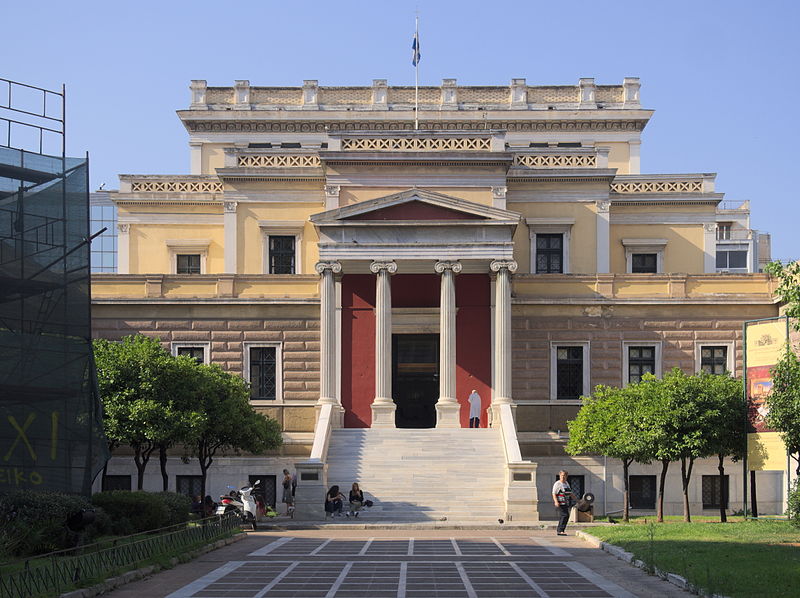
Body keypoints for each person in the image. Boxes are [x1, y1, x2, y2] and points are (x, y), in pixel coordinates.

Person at [552, 470, 578, 536]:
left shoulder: (566, 483)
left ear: (566, 476)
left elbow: (570, 493)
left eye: (564, 476)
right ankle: (560, 530)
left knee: (564, 516)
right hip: (560, 502)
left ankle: (560, 530)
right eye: (562, 475)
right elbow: (554, 493)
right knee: (565, 515)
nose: (563, 477)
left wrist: (577, 500)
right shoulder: (557, 484)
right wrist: (556, 501)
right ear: (560, 476)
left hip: (565, 502)